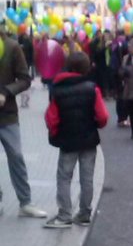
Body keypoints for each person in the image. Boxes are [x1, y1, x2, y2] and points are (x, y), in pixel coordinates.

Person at [43, 49, 108, 228]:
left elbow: (51, 118)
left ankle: (64, 215)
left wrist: (55, 132)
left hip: (68, 140)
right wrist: (96, 125)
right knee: (87, 177)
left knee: (64, 177)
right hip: (88, 139)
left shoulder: (57, 89)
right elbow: (102, 116)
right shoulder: (92, 88)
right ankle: (84, 213)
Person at [0, 16, 47, 219]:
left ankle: (25, 202)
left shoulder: (12, 47)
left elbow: (25, 79)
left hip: (7, 114)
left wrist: (6, 93)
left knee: (16, 156)